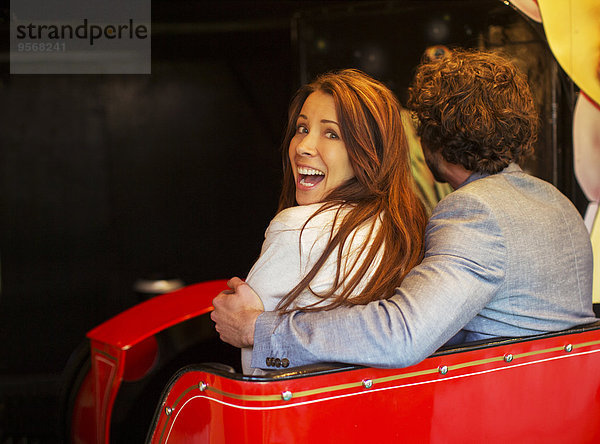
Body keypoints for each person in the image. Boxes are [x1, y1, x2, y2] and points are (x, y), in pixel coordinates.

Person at [212, 49, 596, 370]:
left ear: (429, 135)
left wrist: (258, 329)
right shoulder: (556, 202)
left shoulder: (474, 212)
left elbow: (402, 335)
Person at [237, 69, 427, 374]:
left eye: (331, 134)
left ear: (369, 150)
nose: (303, 147)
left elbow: (254, 365)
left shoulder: (297, 228)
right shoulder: (404, 226)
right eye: (302, 128)